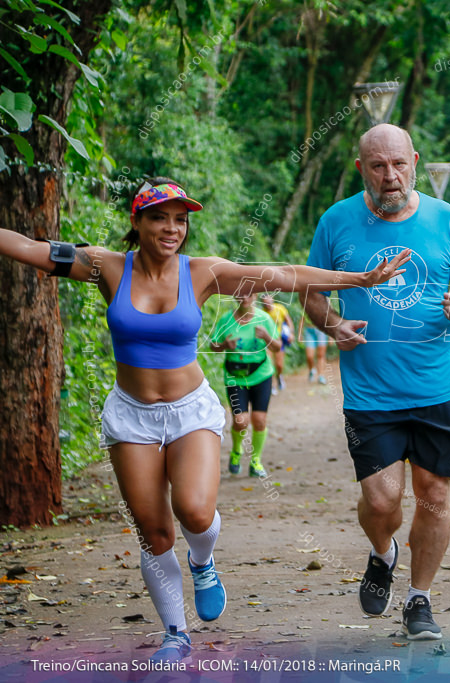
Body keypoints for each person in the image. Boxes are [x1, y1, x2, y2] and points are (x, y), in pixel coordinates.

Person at [0, 177, 410, 664]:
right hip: (132, 416)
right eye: (159, 217)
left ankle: (202, 560)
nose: (172, 228)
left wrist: (357, 281)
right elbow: (29, 247)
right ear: (137, 221)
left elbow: (283, 274)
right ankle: (176, 633)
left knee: (194, 512)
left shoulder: (204, 273)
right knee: (153, 532)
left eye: (181, 219)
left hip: (189, 408)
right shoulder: (106, 266)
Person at [301, 124, 450, 641]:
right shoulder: (336, 221)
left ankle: (419, 599)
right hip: (370, 392)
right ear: (361, 167)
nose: (390, 176)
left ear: (415, 162)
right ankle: (383, 553)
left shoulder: (445, 219)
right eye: (378, 166)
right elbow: (312, 292)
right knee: (382, 502)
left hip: (437, 389)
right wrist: (332, 325)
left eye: (399, 164)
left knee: (435, 496)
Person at [210, 292, 280, 477]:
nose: (244, 298)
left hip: (260, 374)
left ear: (255, 296)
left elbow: (278, 346)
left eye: (248, 294)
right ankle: (236, 450)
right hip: (235, 376)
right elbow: (213, 345)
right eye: (240, 295)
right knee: (241, 422)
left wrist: (266, 336)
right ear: (235, 297)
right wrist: (224, 345)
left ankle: (256, 461)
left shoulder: (264, 319)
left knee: (259, 420)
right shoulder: (226, 319)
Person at [260, 293, 294, 394]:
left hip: (279, 340)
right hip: (267, 341)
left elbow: (289, 322)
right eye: (265, 303)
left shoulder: (280, 309)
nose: (268, 305)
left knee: (279, 365)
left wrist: (291, 334)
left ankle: (279, 377)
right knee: (269, 363)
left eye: (269, 302)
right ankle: (272, 385)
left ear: (272, 300)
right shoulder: (262, 313)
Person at [301, 315, 330, 384]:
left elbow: (328, 319)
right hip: (309, 331)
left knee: (321, 355)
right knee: (309, 356)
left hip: (322, 331)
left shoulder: (325, 304)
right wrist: (300, 334)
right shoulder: (307, 305)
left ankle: (321, 376)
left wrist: (330, 335)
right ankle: (311, 370)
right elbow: (302, 319)